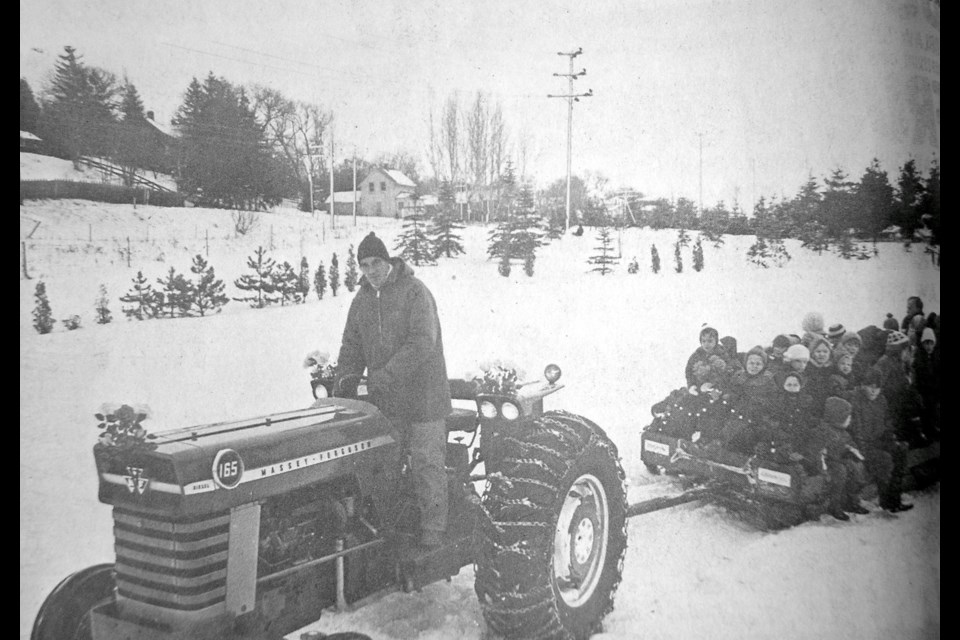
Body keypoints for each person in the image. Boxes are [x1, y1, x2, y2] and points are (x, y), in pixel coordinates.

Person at [336, 232, 452, 548]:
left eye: (376, 262)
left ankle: (433, 531)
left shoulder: (415, 292)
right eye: (363, 265)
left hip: (425, 396)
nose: (370, 270)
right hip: (388, 401)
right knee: (382, 462)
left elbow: (422, 342)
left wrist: (386, 374)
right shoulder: (360, 301)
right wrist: (340, 388)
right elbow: (351, 345)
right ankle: (390, 529)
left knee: (427, 463)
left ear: (388, 262)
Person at [847, 368, 913, 513]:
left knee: (901, 449)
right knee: (884, 459)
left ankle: (895, 497)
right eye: (871, 386)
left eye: (877, 388)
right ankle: (888, 502)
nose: (873, 391)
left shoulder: (881, 400)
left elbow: (886, 422)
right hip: (862, 446)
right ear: (864, 385)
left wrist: (891, 438)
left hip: (878, 441)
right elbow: (856, 430)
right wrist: (863, 453)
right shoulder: (856, 400)